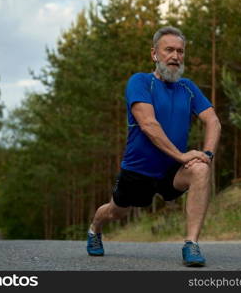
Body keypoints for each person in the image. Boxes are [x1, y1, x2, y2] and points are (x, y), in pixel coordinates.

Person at [86, 26, 221, 267]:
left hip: (173, 171)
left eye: (180, 51)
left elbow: (212, 120)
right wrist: (181, 155)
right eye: (169, 50)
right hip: (139, 169)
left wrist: (207, 154)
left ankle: (191, 244)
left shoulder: (188, 88)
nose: (175, 56)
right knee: (117, 212)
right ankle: (95, 229)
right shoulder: (140, 82)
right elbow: (149, 125)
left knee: (201, 169)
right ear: (154, 54)